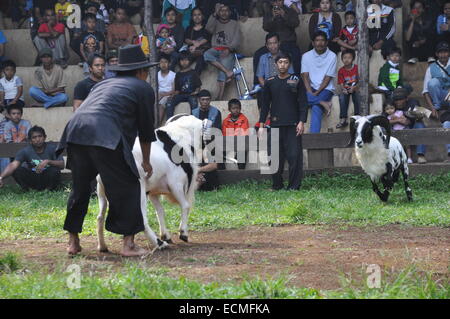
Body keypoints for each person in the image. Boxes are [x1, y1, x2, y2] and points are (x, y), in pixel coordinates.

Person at [56, 44, 159, 257]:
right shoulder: (143, 88)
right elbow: (147, 130)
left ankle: (73, 242)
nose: (147, 75)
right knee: (128, 186)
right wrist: (146, 161)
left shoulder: (103, 84)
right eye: (146, 71)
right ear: (140, 71)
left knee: (80, 188)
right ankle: (128, 245)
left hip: (76, 131)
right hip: (104, 133)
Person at [258, 52, 307, 191]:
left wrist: (301, 121)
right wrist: (261, 125)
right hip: (274, 125)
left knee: (294, 157)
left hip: (293, 125)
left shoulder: (296, 80)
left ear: (289, 64)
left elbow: (303, 103)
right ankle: (277, 185)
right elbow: (265, 105)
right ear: (275, 64)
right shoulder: (270, 81)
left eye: (285, 62)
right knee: (274, 157)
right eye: (280, 62)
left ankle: (293, 186)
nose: (283, 65)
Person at [0, 126, 64, 191]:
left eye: (40, 136)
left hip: (47, 177)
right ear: (30, 140)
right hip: (33, 177)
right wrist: (1, 177)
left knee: (54, 170)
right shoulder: (25, 151)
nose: (38, 139)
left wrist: (48, 161)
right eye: (34, 137)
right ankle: (28, 189)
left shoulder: (53, 148)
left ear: (45, 137)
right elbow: (13, 165)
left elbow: (62, 165)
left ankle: (49, 189)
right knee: (17, 170)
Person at [301, 31, 337, 133]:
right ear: (313, 43)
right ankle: (323, 103)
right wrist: (310, 92)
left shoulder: (332, 56)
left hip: (326, 89)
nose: (319, 43)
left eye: (322, 40)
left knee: (316, 107)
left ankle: (313, 138)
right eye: (317, 40)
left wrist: (315, 94)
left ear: (326, 43)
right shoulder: (306, 56)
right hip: (311, 88)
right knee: (298, 98)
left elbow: (327, 78)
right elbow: (305, 77)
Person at [204, 3, 241, 100]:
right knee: (206, 54)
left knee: (222, 71)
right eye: (221, 10)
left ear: (229, 12)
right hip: (216, 49)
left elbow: (237, 39)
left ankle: (220, 97)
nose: (224, 13)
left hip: (228, 50)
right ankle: (228, 71)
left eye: (226, 10)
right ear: (218, 12)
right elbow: (208, 28)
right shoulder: (215, 22)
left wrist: (229, 48)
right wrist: (215, 14)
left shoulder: (234, 23)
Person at [257, 0, 301, 80]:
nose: (276, 3)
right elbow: (265, 27)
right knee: (258, 54)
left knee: (295, 54)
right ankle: (257, 84)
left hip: (288, 42)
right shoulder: (268, 13)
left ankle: (295, 82)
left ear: (283, 1)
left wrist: (284, 15)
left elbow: (296, 24)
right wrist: (273, 18)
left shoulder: (290, 11)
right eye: (274, 1)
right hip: (273, 45)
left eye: (279, 1)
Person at [256, 32, 294, 109]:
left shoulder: (286, 56)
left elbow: (291, 76)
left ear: (279, 43)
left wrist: (284, 88)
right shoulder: (263, 58)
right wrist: (267, 88)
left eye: (275, 43)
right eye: (270, 44)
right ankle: (265, 118)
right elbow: (260, 77)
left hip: (284, 86)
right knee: (261, 94)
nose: (273, 46)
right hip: (268, 86)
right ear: (266, 45)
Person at [192, 89, 220, 191]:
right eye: (203, 99)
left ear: (210, 100)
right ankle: (198, 180)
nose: (205, 102)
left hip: (211, 141)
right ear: (199, 100)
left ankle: (205, 179)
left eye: (207, 100)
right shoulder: (193, 112)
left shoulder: (216, 112)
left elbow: (217, 130)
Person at [392, 87, 428, 164]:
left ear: (406, 98)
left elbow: (426, 113)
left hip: (411, 128)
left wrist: (413, 116)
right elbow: (384, 119)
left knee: (420, 125)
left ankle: (421, 155)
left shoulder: (413, 102)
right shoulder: (391, 104)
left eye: (401, 99)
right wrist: (397, 120)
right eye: (396, 100)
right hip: (396, 129)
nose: (398, 102)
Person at [165, 52, 202, 119]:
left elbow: (198, 86)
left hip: (191, 95)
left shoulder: (193, 72)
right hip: (181, 95)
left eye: (186, 60)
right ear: (179, 61)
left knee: (194, 102)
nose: (184, 62)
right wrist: (173, 95)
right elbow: (177, 90)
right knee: (169, 101)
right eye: (182, 60)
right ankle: (170, 120)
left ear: (190, 61)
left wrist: (196, 92)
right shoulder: (178, 74)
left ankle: (193, 120)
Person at [423, 41, 450, 120]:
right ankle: (437, 106)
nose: (443, 55)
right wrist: (432, 108)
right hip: (439, 98)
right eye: (440, 52)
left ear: (448, 53)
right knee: (433, 82)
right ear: (436, 54)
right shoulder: (431, 68)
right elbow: (425, 91)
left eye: (445, 52)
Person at [222, 98, 249, 169]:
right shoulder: (226, 121)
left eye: (237, 108)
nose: (235, 110)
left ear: (240, 109)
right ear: (229, 109)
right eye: (233, 108)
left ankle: (241, 172)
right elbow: (225, 134)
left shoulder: (244, 119)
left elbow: (243, 133)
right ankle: (222, 171)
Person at [336, 49, 360, 129]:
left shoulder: (357, 68)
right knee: (342, 97)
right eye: (344, 58)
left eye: (349, 58)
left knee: (357, 97)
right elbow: (341, 83)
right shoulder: (341, 71)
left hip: (355, 88)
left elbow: (361, 82)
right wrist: (344, 89)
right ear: (342, 59)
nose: (346, 60)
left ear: (353, 59)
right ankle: (343, 119)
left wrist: (354, 88)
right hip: (346, 89)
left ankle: (357, 118)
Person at [184, 7, 211, 74]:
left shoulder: (206, 27)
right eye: (194, 15)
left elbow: (206, 38)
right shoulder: (189, 28)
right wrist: (193, 42)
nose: (197, 17)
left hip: (203, 50)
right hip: (191, 50)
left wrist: (196, 45)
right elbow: (186, 39)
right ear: (192, 17)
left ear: (202, 16)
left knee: (201, 60)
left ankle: (195, 78)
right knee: (183, 60)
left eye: (199, 14)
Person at [157, 54, 176, 124]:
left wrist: (163, 95)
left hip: (168, 95)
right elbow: (155, 88)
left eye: (165, 62)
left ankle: (157, 124)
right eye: (161, 62)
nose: (163, 64)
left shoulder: (173, 75)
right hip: (159, 94)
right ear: (158, 64)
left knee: (162, 104)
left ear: (169, 64)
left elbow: (173, 90)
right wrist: (159, 95)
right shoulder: (156, 75)